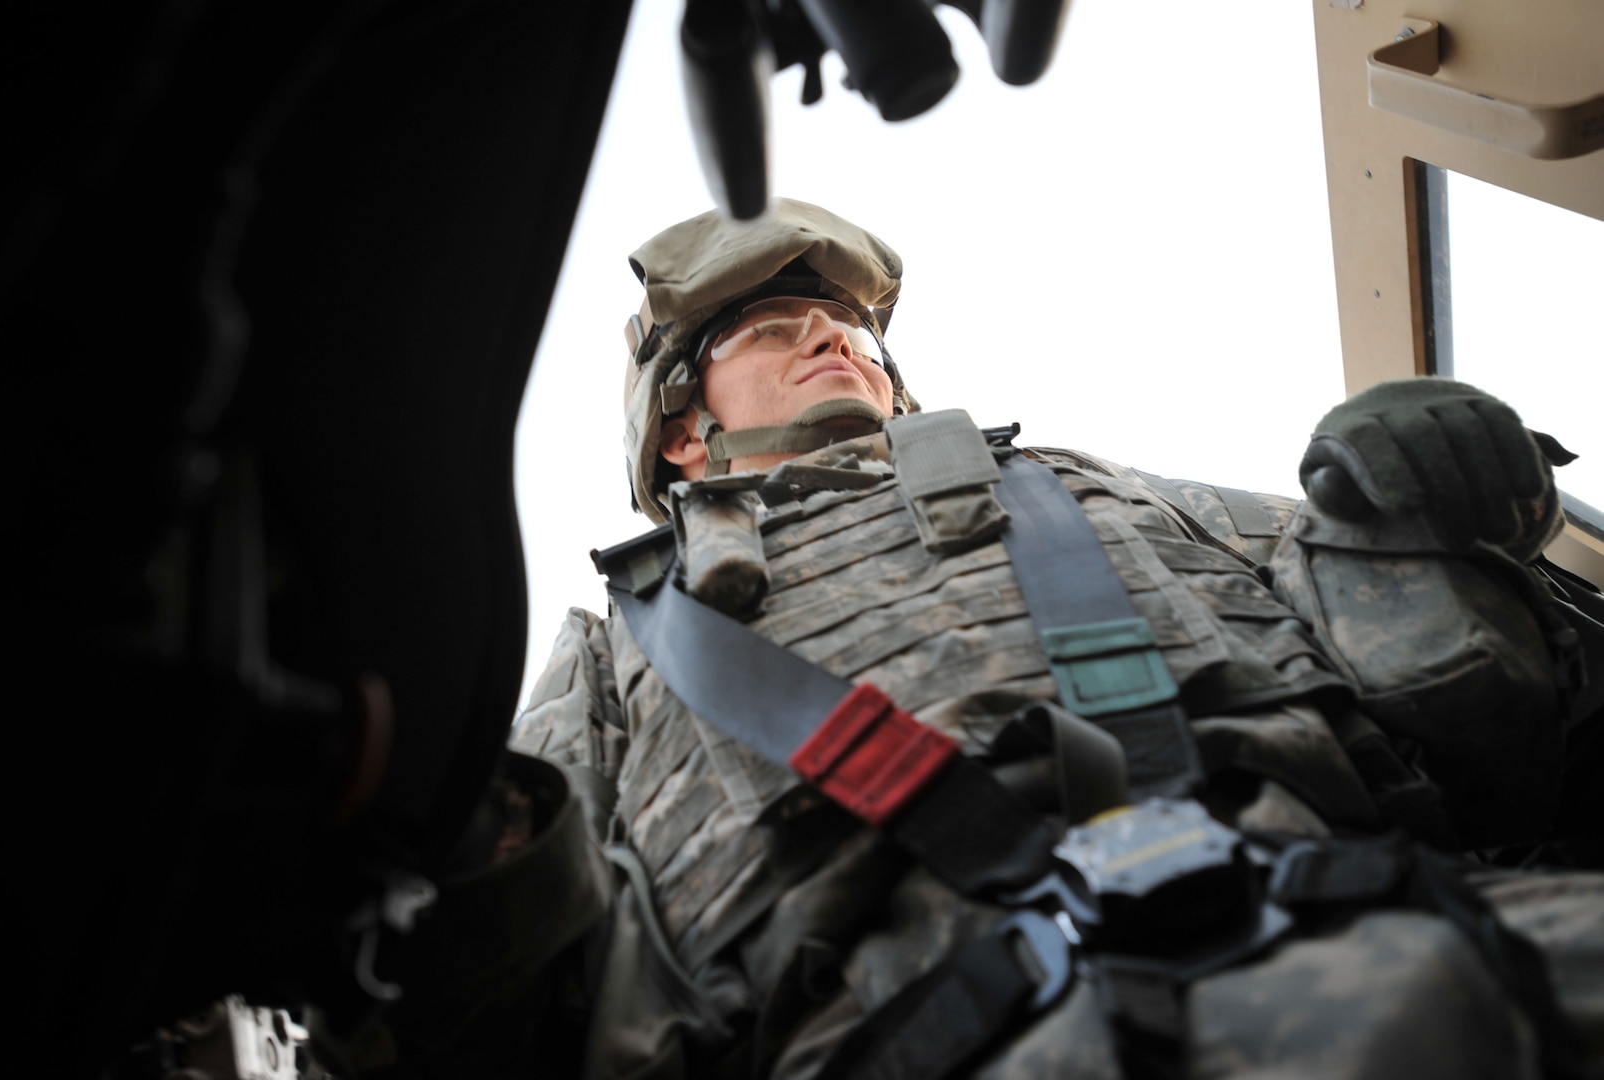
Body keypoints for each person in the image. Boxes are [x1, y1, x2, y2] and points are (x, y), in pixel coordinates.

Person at [367, 199, 1604, 1078]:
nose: (832, 338)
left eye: (850, 330)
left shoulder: (1094, 487)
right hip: (913, 1029)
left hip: (1378, 905)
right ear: (681, 432)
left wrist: (1444, 500)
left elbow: (1474, 689)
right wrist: (446, 844)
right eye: (769, 327)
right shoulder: (614, 644)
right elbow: (503, 996)